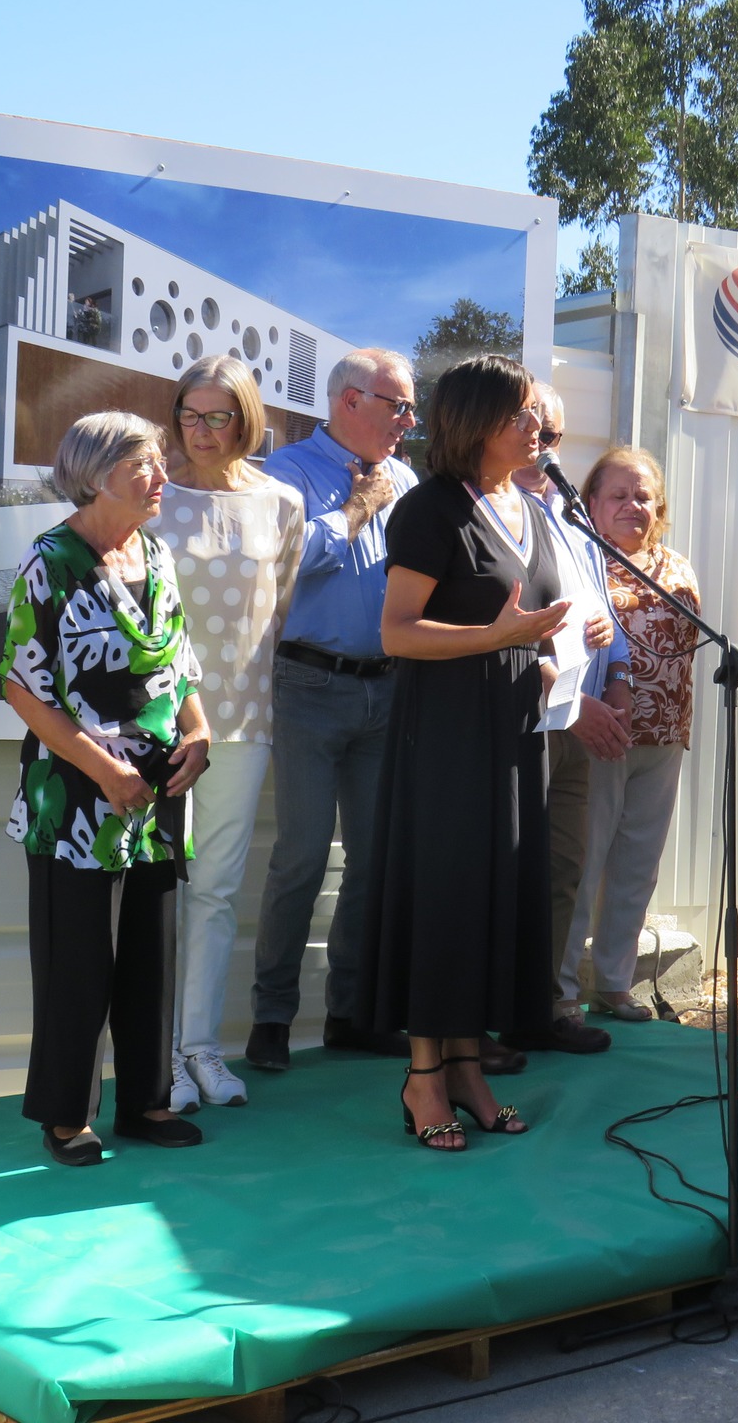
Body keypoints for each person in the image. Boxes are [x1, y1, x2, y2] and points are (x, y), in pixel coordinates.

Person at [359, 353, 570, 1151]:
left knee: (491, 896)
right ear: (477, 422)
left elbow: (527, 618)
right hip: (445, 734)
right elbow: (397, 632)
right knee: (445, 897)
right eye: (519, 414)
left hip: (511, 730)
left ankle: (467, 1066)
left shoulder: (531, 507)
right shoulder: (431, 509)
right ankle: (423, 1076)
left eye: (534, 413)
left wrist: (540, 657)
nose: (535, 426)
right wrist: (498, 637)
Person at [0, 411, 212, 1165]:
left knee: (151, 954)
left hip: (157, 790)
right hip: (78, 790)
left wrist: (199, 733)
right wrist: (104, 769)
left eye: (159, 461)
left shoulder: (155, 552)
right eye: (143, 464)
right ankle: (66, 1117)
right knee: (77, 960)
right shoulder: (50, 561)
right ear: (95, 474)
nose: (161, 477)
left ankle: (148, 1102)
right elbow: (22, 687)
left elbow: (180, 662)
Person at [246, 348, 419, 1072]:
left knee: (375, 861)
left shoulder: (406, 480)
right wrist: (354, 510)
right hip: (309, 686)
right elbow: (282, 564)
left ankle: (351, 1013)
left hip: (389, 688)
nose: (409, 422)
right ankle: (272, 1017)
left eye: (411, 409)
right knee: (303, 855)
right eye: (398, 406)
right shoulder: (287, 471)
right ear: (350, 401)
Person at [154, 355, 304, 1112]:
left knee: (213, 893)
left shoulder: (281, 503)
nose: (201, 431)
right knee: (153, 893)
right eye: (190, 414)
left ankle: (200, 1048)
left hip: (243, 721)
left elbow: (278, 614)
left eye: (218, 416)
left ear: (247, 421)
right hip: (155, 723)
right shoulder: (153, 494)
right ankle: (158, 1058)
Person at [502, 382, 630, 1055]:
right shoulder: (500, 512)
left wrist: (619, 670)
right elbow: (508, 628)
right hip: (528, 716)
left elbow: (599, 605)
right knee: (509, 868)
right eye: (533, 431)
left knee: (563, 866)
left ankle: (545, 1006)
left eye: (552, 437)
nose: (542, 448)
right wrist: (572, 703)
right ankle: (489, 1014)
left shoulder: (569, 513)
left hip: (580, 712)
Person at [569, 448, 701, 1028]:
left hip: (664, 734)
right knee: (584, 860)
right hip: (599, 733)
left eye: (643, 496)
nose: (632, 506)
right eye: (618, 495)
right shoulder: (581, 560)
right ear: (592, 503)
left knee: (637, 865)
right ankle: (562, 988)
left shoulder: (677, 566)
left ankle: (614, 984)